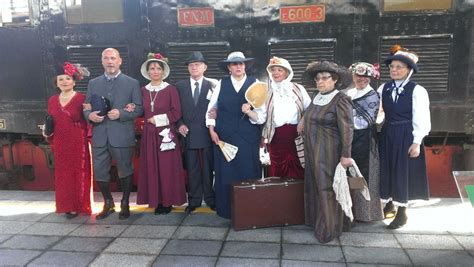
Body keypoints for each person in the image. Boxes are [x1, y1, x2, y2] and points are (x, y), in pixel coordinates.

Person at [83, 48, 143, 220]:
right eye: (106, 58)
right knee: (101, 171)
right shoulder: (93, 83)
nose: (110, 61)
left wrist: (122, 114)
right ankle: (108, 203)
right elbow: (86, 107)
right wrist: (91, 116)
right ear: (102, 61)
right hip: (100, 136)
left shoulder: (131, 83)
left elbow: (139, 108)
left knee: (125, 169)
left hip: (122, 135)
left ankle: (125, 202)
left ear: (119, 61)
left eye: (113, 58)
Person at [206, 51, 267, 219]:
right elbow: (211, 109)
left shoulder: (256, 84)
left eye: (241, 63)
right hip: (224, 139)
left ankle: (249, 210)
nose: (238, 67)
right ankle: (226, 210)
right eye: (234, 64)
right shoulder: (221, 84)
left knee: (248, 172)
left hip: (248, 138)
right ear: (229, 67)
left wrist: (249, 112)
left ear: (245, 65)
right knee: (226, 174)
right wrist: (211, 129)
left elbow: (262, 115)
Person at [377, 45, 430, 229]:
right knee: (388, 168)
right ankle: (389, 205)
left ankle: (402, 213)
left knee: (402, 171)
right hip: (388, 132)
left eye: (399, 67)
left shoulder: (417, 90)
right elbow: (379, 113)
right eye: (392, 67)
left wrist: (416, 142)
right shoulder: (384, 88)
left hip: (406, 133)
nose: (394, 70)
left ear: (409, 70)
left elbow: (422, 117)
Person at [302, 61, 354, 243]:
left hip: (328, 151)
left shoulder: (341, 99)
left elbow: (347, 129)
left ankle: (329, 228)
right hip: (312, 150)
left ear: (335, 80)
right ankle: (318, 220)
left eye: (325, 78)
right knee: (315, 185)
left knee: (327, 188)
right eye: (317, 79)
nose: (320, 82)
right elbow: (310, 117)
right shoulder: (316, 96)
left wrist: (346, 155)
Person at [136, 53, 186, 215]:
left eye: (158, 68)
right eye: (152, 68)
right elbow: (139, 109)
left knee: (166, 168)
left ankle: (168, 201)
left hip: (166, 134)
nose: (155, 71)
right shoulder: (143, 91)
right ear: (148, 72)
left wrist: (156, 120)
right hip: (149, 135)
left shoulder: (171, 89)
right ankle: (155, 200)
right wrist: (131, 107)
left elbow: (176, 113)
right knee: (152, 167)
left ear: (163, 72)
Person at [44, 62, 92, 219]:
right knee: (62, 174)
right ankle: (66, 205)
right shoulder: (52, 100)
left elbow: (87, 121)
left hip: (78, 140)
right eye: (60, 80)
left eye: (67, 79)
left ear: (74, 81)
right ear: (57, 83)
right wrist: (46, 130)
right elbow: (51, 119)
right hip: (60, 140)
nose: (64, 82)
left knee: (78, 172)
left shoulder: (82, 99)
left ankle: (79, 205)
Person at [176, 51, 216, 214]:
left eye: (197, 64)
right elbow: (175, 110)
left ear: (204, 67)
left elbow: (220, 107)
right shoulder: (179, 86)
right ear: (188, 68)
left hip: (207, 133)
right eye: (191, 65)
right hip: (189, 134)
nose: (194, 67)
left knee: (209, 169)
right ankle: (194, 200)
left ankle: (211, 199)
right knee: (192, 169)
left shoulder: (214, 85)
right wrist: (179, 124)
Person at [346, 62, 383, 222]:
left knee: (362, 175)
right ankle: (353, 209)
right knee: (351, 174)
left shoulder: (373, 96)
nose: (361, 79)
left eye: (364, 77)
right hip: (351, 140)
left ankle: (365, 213)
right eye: (357, 76)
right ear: (353, 76)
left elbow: (364, 122)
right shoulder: (349, 92)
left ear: (370, 79)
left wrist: (344, 122)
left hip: (365, 141)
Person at [262, 56, 311, 179]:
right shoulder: (267, 92)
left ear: (287, 72)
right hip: (276, 138)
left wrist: (303, 121)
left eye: (280, 70)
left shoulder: (299, 89)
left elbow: (310, 108)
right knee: (277, 171)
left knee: (299, 167)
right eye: (273, 70)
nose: (276, 73)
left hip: (297, 136)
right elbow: (262, 116)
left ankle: (298, 198)